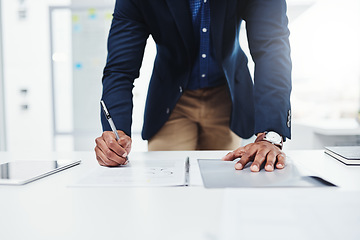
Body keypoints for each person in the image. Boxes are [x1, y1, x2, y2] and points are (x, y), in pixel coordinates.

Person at [94, 0, 292, 172]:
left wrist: (270, 135)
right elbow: (120, 69)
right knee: (166, 188)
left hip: (225, 98)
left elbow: (272, 50)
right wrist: (115, 133)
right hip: (170, 101)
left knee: (222, 186)